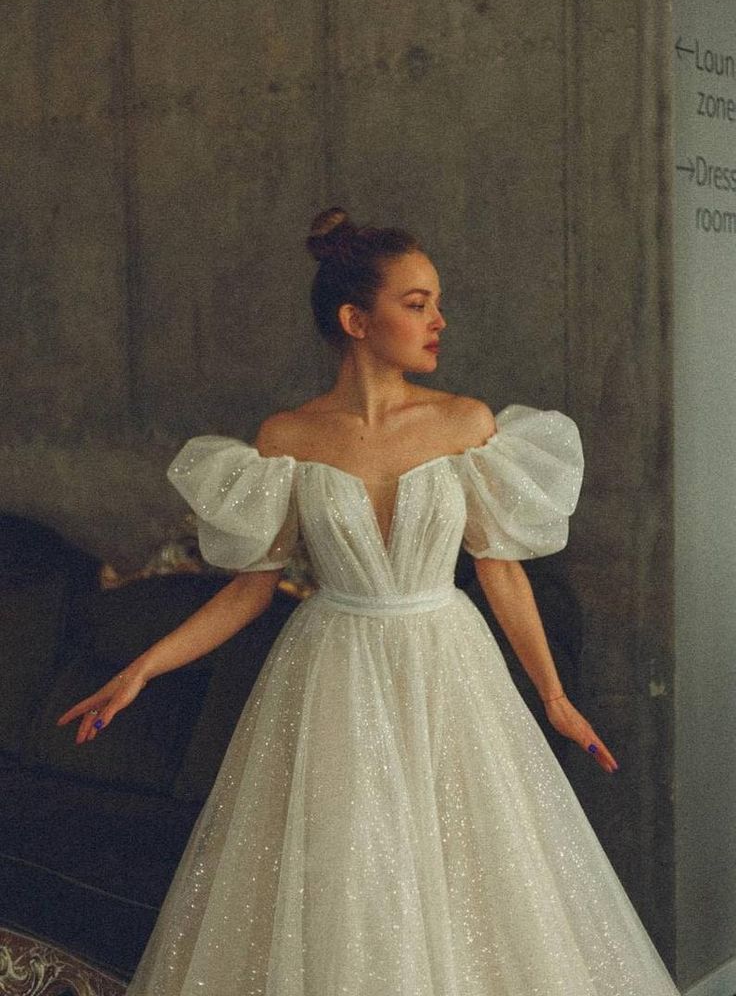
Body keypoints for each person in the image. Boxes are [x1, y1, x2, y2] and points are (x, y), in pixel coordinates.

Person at [58, 209, 679, 995]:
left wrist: (553, 697)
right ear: (356, 319)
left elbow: (503, 571)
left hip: (449, 667)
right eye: (416, 303)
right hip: (333, 674)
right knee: (349, 885)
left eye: (436, 301)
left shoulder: (465, 424)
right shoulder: (286, 438)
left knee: (478, 884)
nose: (439, 320)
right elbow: (253, 589)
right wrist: (144, 668)